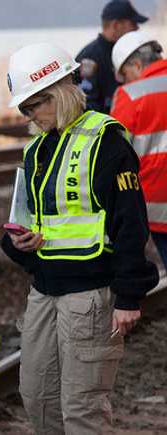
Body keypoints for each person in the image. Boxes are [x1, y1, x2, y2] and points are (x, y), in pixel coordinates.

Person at [3, 42, 159, 434]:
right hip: (44, 288)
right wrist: (18, 244)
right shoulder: (36, 149)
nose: (30, 116)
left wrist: (128, 297)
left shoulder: (106, 140)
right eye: (24, 109)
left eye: (34, 105)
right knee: (38, 398)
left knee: (82, 410)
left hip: (90, 295)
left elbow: (130, 223)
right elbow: (25, 216)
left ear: (60, 89)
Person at [110, 30, 167, 267]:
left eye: (125, 75)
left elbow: (115, 153)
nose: (126, 81)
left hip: (159, 207)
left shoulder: (130, 95)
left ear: (135, 64)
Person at [76, 0, 148, 113]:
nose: (137, 28)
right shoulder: (89, 57)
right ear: (116, 25)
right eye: (133, 24)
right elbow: (85, 103)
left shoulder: (131, 53)